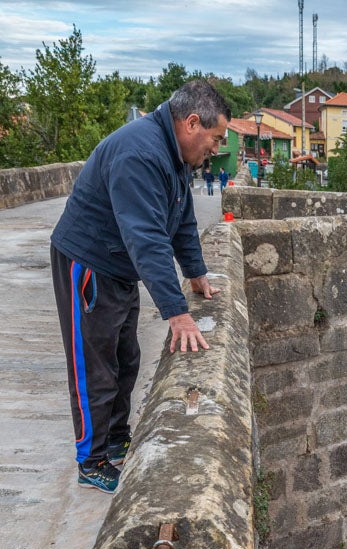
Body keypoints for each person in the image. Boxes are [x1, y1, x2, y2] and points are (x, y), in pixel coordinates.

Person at [50, 80, 229, 494]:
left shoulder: (173, 153)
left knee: (125, 358)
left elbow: (180, 218)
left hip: (119, 265)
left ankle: (115, 439)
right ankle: (91, 461)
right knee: (94, 366)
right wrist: (177, 312)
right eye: (216, 138)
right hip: (90, 262)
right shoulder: (141, 153)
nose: (216, 149)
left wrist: (197, 272)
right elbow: (146, 236)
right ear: (191, 123)